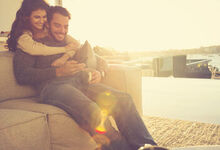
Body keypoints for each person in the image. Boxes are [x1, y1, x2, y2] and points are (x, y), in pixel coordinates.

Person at [11, 5, 168, 150]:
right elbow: (22, 75)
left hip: (79, 82)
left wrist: (99, 72)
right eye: (57, 25)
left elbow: (98, 59)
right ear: (48, 23)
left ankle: (147, 146)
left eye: (65, 27)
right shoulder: (31, 44)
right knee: (94, 111)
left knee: (123, 99)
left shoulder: (68, 41)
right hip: (53, 87)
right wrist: (58, 71)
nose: (62, 31)